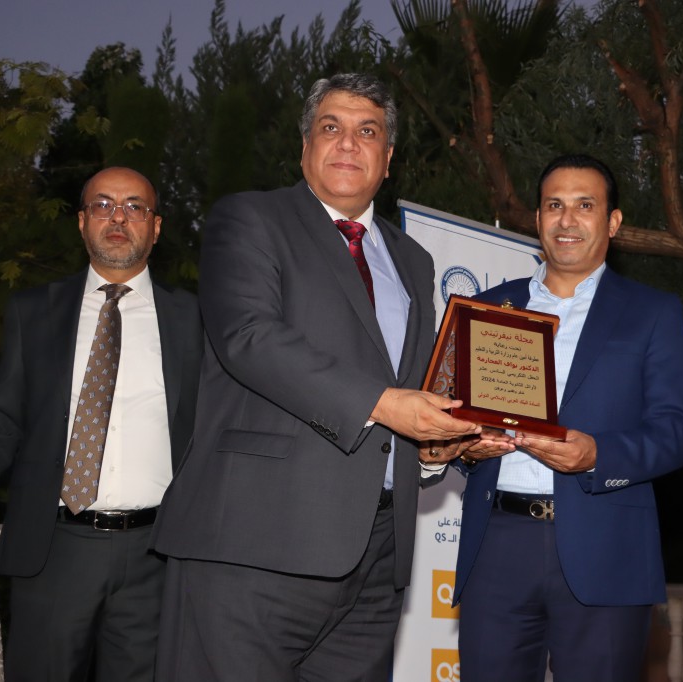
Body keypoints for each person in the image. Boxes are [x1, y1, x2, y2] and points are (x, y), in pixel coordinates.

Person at [151, 73, 480, 681]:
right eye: (331, 127)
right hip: (254, 546)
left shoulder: (413, 259)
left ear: (388, 159)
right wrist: (386, 405)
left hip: (378, 561)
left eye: (367, 132)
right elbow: (249, 337)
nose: (349, 143)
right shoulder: (250, 218)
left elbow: (409, 383)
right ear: (305, 147)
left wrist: (433, 447)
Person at [426, 153, 683, 681]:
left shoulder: (652, 311)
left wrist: (598, 455)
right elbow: (451, 417)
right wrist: (466, 449)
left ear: (613, 222)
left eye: (584, 205)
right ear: (537, 218)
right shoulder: (487, 308)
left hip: (606, 547)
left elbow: (678, 431)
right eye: (554, 205)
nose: (567, 219)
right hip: (496, 545)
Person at [0, 166, 203, 681]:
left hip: (159, 556)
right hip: (53, 550)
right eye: (103, 204)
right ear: (82, 221)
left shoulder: (197, 319)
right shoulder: (33, 312)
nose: (118, 217)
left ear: (156, 227)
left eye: (135, 206)